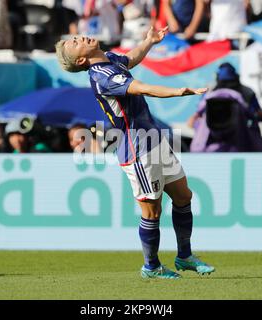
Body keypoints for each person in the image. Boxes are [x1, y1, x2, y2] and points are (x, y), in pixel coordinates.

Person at [55, 27, 215, 279]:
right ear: (81, 60)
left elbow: (131, 58)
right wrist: (177, 91)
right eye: (75, 42)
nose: (80, 37)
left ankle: (185, 256)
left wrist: (149, 41)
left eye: (76, 37)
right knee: (152, 210)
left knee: (183, 196)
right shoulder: (102, 75)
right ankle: (151, 266)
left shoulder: (107, 58)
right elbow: (140, 87)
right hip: (137, 147)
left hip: (155, 140)